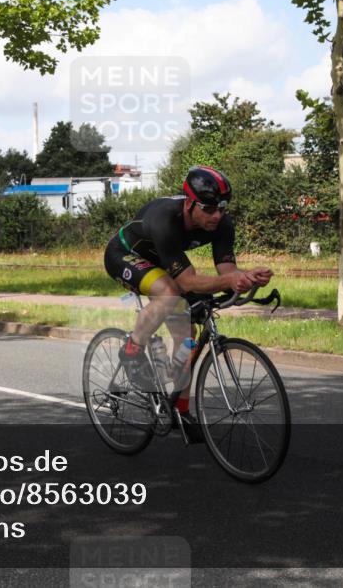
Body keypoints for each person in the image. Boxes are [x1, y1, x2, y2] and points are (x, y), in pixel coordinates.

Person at [103, 166, 273, 442]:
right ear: (190, 203)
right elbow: (187, 282)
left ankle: (180, 411)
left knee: (187, 336)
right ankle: (132, 350)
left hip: (162, 259)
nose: (216, 215)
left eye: (221, 208)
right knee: (169, 293)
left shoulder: (221, 224)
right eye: (208, 209)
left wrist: (245, 278)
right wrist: (232, 281)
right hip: (124, 254)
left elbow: (227, 272)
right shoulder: (165, 219)